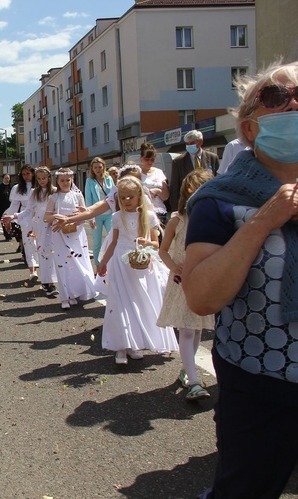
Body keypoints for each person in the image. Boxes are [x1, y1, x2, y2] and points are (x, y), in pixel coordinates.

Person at [182, 61, 298, 498]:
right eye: (278, 97)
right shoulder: (218, 201)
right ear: (249, 129)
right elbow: (201, 296)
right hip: (260, 385)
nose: (295, 102)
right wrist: (266, 219)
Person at [96, 176, 177, 365]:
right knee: (121, 304)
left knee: (138, 304)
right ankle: (120, 348)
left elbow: (156, 244)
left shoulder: (148, 216)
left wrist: (145, 242)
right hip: (121, 263)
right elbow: (114, 242)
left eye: (130, 197)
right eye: (122, 198)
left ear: (139, 196)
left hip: (141, 263)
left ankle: (134, 345)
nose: (126, 201)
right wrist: (103, 262)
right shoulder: (116, 217)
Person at [156, 170, 214, 401]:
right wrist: (173, 266)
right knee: (188, 329)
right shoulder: (177, 220)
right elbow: (163, 249)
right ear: (188, 192)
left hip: (203, 278)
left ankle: (187, 371)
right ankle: (195, 381)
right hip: (182, 280)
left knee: (197, 326)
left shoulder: (213, 218)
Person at [45, 168, 96, 309]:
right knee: (63, 264)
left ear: (72, 180)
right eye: (62, 180)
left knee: (78, 262)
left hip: (76, 233)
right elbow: (46, 217)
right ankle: (64, 296)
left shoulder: (78, 195)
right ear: (57, 182)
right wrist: (56, 216)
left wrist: (79, 219)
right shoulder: (53, 198)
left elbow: (85, 213)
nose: (65, 183)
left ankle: (76, 293)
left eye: (68, 180)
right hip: (60, 234)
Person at [18, 167, 57, 297]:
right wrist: (14, 216)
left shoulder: (55, 192)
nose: (41, 181)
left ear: (49, 178)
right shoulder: (35, 193)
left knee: (55, 252)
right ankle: (47, 282)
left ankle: (54, 280)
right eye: (39, 178)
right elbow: (28, 210)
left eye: (44, 178)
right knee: (44, 252)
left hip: (54, 223)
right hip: (40, 224)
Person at [1, 165, 38, 279]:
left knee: (40, 244)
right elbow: (14, 206)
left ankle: (46, 274)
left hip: (40, 217)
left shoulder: (40, 185)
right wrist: (8, 219)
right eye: (24, 174)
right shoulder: (17, 188)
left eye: (28, 173)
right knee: (28, 243)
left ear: (33, 173)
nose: (26, 176)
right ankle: (33, 271)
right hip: (25, 218)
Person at [169, 129, 220, 210]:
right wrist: (177, 210)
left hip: (209, 203)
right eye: (187, 144)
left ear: (200, 142)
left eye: (192, 143)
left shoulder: (212, 158)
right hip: (188, 205)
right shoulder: (178, 162)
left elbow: (218, 183)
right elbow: (174, 188)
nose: (189, 146)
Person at [84, 158, 114, 265]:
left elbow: (113, 195)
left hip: (109, 214)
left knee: (113, 239)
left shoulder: (109, 179)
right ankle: (98, 266)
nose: (97, 169)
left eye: (99, 167)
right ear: (92, 169)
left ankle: (111, 264)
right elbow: (88, 199)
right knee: (97, 242)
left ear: (104, 167)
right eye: (95, 167)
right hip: (96, 215)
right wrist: (90, 217)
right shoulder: (89, 181)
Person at [139, 143, 170, 226]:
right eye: (147, 159)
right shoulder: (137, 173)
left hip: (160, 211)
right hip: (143, 212)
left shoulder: (159, 172)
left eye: (152, 160)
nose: (149, 162)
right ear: (141, 158)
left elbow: (165, 196)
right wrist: (148, 192)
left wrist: (157, 191)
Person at [0, 174, 12, 241]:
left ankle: (11, 234)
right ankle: (7, 235)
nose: (7, 179)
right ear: (3, 179)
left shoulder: (11, 186)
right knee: (4, 221)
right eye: (6, 178)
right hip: (2, 207)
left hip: (11, 206)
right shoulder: (0, 187)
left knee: (11, 221)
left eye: (8, 178)